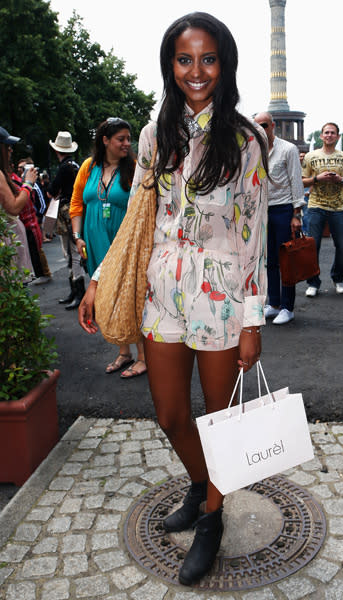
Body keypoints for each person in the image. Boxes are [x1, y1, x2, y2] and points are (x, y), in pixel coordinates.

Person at [78, 12, 268, 585]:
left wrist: (253, 321)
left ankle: (211, 518)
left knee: (219, 420)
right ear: (170, 66)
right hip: (163, 288)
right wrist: (98, 279)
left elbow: (253, 237)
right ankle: (200, 483)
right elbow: (138, 221)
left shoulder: (245, 140)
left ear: (224, 63)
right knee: (169, 413)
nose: (196, 71)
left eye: (207, 58)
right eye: (184, 59)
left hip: (221, 295)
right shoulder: (152, 135)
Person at [70, 118, 146, 378]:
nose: (127, 144)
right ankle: (123, 352)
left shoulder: (134, 168)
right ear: (105, 141)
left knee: (130, 294)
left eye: (128, 139)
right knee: (105, 295)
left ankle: (143, 356)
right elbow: (77, 204)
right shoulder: (88, 167)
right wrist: (77, 236)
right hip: (94, 240)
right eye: (121, 139)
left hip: (123, 240)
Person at [254, 111, 303, 324]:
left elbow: (296, 180)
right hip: (262, 210)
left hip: (283, 209)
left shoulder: (288, 149)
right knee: (268, 260)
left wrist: (296, 213)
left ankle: (287, 307)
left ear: (273, 126)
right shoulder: (253, 149)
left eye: (264, 125)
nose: (261, 130)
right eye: (256, 126)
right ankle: (273, 303)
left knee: (286, 259)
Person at [302, 122, 343, 296]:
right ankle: (313, 282)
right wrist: (317, 178)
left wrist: (340, 180)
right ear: (321, 136)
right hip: (316, 205)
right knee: (313, 246)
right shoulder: (311, 156)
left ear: (337, 136)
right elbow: (302, 180)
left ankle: (338, 278)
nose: (329, 135)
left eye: (333, 133)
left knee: (342, 245)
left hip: (338, 207)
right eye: (326, 132)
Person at [48, 131, 85, 309]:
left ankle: (78, 292)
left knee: (72, 252)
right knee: (74, 252)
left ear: (57, 150)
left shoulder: (63, 168)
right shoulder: (76, 165)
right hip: (76, 210)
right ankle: (76, 291)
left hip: (67, 211)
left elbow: (52, 190)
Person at [0, 126, 34, 277]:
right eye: (7, 147)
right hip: (8, 242)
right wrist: (28, 184)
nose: (11, 151)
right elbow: (14, 207)